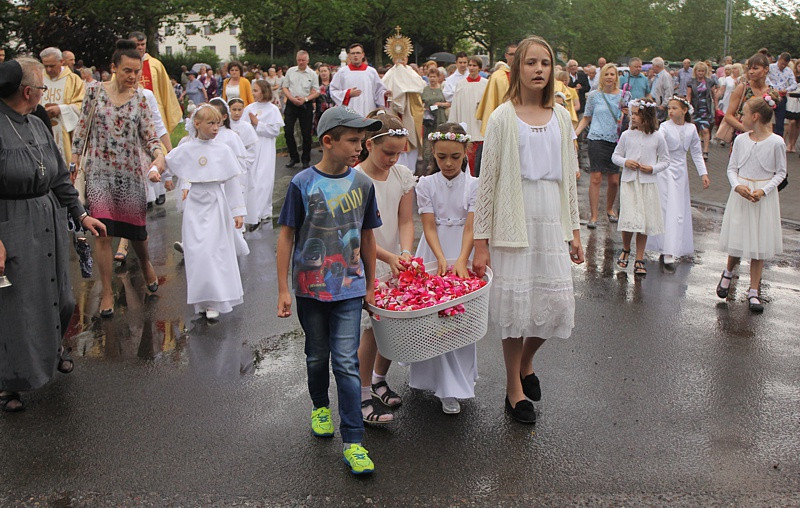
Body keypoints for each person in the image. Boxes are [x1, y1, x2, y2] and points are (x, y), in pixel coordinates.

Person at [473, 36, 583, 424]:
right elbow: (487, 182)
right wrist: (480, 242)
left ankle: (527, 360)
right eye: (531, 62)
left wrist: (576, 231)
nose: (539, 69)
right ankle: (513, 389)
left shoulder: (561, 116)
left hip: (551, 218)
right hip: (512, 220)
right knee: (515, 310)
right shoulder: (503, 116)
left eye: (546, 63)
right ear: (517, 68)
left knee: (555, 307)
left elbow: (569, 180)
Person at [276, 106, 382, 475]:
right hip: (309, 289)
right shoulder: (302, 184)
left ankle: (354, 441)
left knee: (347, 363)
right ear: (328, 141)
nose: (360, 148)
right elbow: (287, 236)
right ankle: (320, 405)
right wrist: (283, 290)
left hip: (350, 289)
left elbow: (368, 236)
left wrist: (370, 284)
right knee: (317, 355)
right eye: (353, 141)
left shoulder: (364, 184)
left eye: (362, 140)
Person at [0, 58, 106, 412]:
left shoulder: (38, 122)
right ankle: (10, 382)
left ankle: (52, 349)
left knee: (61, 297)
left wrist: (81, 213)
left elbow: (59, 174)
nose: (43, 92)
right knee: (18, 305)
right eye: (41, 87)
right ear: (27, 91)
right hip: (11, 221)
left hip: (49, 218)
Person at [70, 39, 166, 317]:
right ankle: (108, 291)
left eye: (136, 71)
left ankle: (146, 263)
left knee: (136, 233)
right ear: (113, 68)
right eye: (127, 71)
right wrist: (75, 160)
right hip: (100, 173)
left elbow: (149, 135)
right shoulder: (93, 93)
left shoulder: (140, 98)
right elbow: (81, 130)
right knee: (102, 234)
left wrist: (158, 155)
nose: (133, 76)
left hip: (130, 175)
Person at [409, 123, 479, 415]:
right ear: (433, 155)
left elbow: (472, 226)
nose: (448, 163)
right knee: (434, 317)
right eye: (441, 157)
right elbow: (427, 224)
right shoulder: (426, 184)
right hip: (434, 250)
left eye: (455, 156)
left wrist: (461, 259)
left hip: (462, 250)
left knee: (461, 318)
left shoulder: (475, 185)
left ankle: (458, 381)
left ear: (466, 153)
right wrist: (439, 259)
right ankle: (438, 382)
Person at [352, 110, 415, 424]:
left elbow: (405, 219)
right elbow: (360, 235)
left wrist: (404, 252)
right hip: (367, 262)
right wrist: (388, 258)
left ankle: (379, 378)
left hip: (394, 261)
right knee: (370, 332)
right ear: (368, 144)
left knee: (392, 327)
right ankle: (362, 395)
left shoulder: (402, 176)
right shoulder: (357, 180)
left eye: (398, 153)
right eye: (387, 152)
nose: (393, 159)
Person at [163, 105, 246, 320]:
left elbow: (231, 182)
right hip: (194, 205)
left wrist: (237, 211)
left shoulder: (223, 150)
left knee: (213, 251)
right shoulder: (186, 148)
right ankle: (201, 299)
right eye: (210, 123)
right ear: (196, 124)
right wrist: (160, 174)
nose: (215, 127)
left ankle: (214, 300)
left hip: (216, 204)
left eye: (218, 123)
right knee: (196, 252)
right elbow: (167, 162)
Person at [716, 95, 785, 313]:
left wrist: (764, 191)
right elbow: (731, 168)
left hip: (761, 196)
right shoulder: (740, 140)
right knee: (738, 235)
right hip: (742, 193)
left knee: (758, 244)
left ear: (755, 117)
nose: (740, 117)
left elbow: (781, 172)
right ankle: (728, 272)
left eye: (743, 113)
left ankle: (754, 290)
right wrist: (737, 186)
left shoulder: (776, 142)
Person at [647, 96, 710, 267]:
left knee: (679, 211)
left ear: (684, 110)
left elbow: (696, 152)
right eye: (669, 108)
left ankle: (674, 246)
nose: (671, 111)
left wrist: (703, 173)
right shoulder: (665, 127)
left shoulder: (691, 128)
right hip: (666, 171)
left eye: (674, 108)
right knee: (667, 208)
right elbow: (656, 144)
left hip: (681, 172)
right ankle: (666, 247)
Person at [610, 100, 668, 276]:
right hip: (629, 182)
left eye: (636, 114)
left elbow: (666, 160)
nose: (632, 117)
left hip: (647, 184)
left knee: (644, 221)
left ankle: (639, 257)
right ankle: (626, 248)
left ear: (647, 116)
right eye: (632, 114)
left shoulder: (657, 137)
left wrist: (652, 168)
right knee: (629, 218)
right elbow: (616, 156)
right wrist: (626, 162)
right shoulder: (627, 135)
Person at [576, 63, 628, 228]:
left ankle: (610, 209)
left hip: (616, 140)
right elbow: (587, 117)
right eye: (606, 74)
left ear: (616, 77)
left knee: (613, 180)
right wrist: (575, 133)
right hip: (597, 138)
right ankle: (593, 216)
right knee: (596, 178)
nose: (609, 77)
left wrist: (628, 114)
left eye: (612, 74)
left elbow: (630, 119)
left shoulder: (624, 95)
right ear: (602, 77)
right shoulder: (594, 96)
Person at [242, 80, 284, 228]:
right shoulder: (249, 108)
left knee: (263, 179)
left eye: (256, 90)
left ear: (264, 91)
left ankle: (261, 212)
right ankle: (253, 211)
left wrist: (257, 124)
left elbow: (274, 131)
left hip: (266, 147)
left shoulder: (272, 109)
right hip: (252, 147)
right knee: (252, 177)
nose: (253, 93)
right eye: (253, 90)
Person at [128, 32, 183, 137]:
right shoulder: (124, 64)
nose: (140, 47)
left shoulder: (155, 64)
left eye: (142, 44)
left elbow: (166, 89)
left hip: (154, 110)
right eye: (137, 44)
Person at [38, 47, 85, 164]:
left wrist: (61, 109)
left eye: (52, 66)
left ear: (61, 62)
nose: (48, 69)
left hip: (65, 132)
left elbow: (83, 104)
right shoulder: (38, 79)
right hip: (41, 128)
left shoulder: (73, 79)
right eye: (46, 66)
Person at [382, 56, 426, 170]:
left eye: (403, 57)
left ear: (406, 58)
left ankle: (410, 176)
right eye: (398, 57)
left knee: (410, 148)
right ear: (393, 58)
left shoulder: (411, 73)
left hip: (409, 113)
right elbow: (383, 90)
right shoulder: (390, 74)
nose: (400, 60)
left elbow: (420, 87)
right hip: (394, 114)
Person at [448, 56, 488, 174]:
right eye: (470, 65)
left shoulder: (486, 84)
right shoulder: (461, 84)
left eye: (474, 65)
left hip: (479, 124)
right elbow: (455, 106)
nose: (471, 68)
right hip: (466, 121)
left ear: (480, 68)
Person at [282, 50, 320, 169]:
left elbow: (317, 92)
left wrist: (306, 99)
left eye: (303, 60)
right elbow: (285, 87)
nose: (301, 62)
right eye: (299, 60)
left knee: (306, 133)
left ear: (308, 61)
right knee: (288, 130)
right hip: (291, 103)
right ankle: (293, 156)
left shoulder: (312, 74)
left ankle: (305, 159)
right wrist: (292, 99)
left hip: (305, 104)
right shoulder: (291, 71)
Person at [329, 43, 389, 117]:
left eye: (358, 53)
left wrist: (384, 95)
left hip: (368, 109)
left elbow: (378, 90)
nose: (355, 55)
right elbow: (333, 90)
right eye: (353, 53)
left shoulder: (371, 72)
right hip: (349, 110)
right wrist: (348, 93)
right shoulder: (342, 72)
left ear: (363, 55)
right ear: (349, 55)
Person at [724, 53, 775, 138]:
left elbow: (770, 120)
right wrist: (747, 130)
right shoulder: (743, 88)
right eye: (749, 68)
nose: (751, 72)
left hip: (764, 137)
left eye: (755, 68)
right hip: (743, 136)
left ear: (766, 69)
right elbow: (728, 116)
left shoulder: (771, 91)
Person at [476, 43, 517, 135]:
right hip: (503, 121)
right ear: (506, 56)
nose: (515, 57)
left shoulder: (525, 74)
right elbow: (491, 102)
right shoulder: (497, 76)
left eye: (517, 54)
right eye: (512, 54)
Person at [685, 62, 716, 160]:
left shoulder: (710, 82)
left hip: (706, 109)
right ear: (695, 71)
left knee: (706, 130)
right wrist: (687, 106)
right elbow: (689, 95)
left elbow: (714, 95)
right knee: (695, 131)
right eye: (699, 71)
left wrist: (716, 106)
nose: (701, 73)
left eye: (703, 71)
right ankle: (696, 151)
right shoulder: (691, 82)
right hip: (695, 108)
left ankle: (706, 151)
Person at [421, 65, 449, 164]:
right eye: (430, 76)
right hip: (429, 119)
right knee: (428, 141)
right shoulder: (425, 89)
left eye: (434, 76)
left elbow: (449, 103)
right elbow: (421, 103)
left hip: (440, 117)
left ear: (438, 77)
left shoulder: (442, 89)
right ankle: (427, 162)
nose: (432, 79)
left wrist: (439, 104)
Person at [767, 52, 797, 137]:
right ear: (779, 60)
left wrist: (787, 89)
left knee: (780, 121)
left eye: (785, 64)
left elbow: (794, 84)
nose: (783, 66)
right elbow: (765, 78)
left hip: (781, 97)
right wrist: (772, 88)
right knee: (767, 118)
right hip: (770, 95)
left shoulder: (788, 71)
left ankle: (778, 138)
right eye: (782, 63)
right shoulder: (770, 67)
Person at [314, 63, 335, 134]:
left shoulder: (334, 84)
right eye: (321, 71)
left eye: (325, 71)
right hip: (321, 112)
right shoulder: (316, 85)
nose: (323, 73)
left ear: (329, 72)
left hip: (333, 111)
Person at [651, 57, 674, 121]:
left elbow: (669, 92)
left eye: (653, 65)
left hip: (660, 106)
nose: (652, 67)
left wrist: (663, 105)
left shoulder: (665, 76)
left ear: (657, 66)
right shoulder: (657, 76)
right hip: (655, 104)